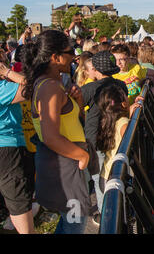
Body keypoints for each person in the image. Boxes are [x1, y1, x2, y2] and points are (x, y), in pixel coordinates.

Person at [22, 30, 94, 234]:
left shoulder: (53, 84)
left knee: (71, 223)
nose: (74, 56)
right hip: (65, 164)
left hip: (65, 162)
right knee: (75, 223)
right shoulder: (50, 87)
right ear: (55, 57)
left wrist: (78, 102)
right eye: (70, 51)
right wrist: (82, 155)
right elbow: (51, 136)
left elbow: (71, 122)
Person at [81, 50, 128, 214]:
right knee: (114, 176)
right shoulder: (120, 85)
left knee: (99, 180)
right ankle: (118, 213)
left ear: (97, 69)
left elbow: (73, 106)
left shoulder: (90, 88)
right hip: (115, 136)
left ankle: (105, 216)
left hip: (95, 138)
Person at [0, 62, 35, 234]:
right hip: (9, 149)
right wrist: (7, 72)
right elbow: (33, 88)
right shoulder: (2, 88)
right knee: (19, 204)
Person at [96, 84, 141, 193]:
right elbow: (130, 141)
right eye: (126, 96)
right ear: (124, 104)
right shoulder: (124, 123)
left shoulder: (106, 121)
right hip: (117, 178)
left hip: (105, 175)